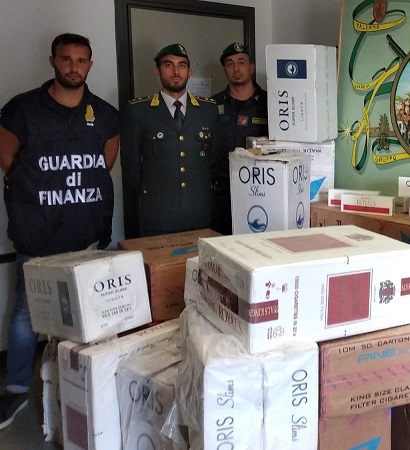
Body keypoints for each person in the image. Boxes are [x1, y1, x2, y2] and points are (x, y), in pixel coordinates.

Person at [0, 33, 119, 430]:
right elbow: (7, 159)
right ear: (53, 61)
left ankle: (78, 384)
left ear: (90, 65)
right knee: (25, 312)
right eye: (66, 59)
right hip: (36, 235)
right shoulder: (22, 109)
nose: (73, 67)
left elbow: (105, 163)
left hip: (85, 237)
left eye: (81, 60)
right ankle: (16, 388)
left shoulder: (104, 114)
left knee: (84, 315)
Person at [120, 43, 220, 237]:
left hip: (199, 209)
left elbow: (214, 159)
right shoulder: (138, 110)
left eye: (182, 65)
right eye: (168, 65)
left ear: (189, 72)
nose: (176, 71)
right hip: (158, 211)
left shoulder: (208, 109)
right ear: (157, 71)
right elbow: (130, 163)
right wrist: (152, 190)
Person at [211, 42, 268, 234]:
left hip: (259, 189)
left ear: (251, 68)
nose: (236, 69)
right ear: (224, 70)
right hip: (220, 195)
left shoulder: (270, 104)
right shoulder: (211, 105)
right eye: (230, 64)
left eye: (241, 62)